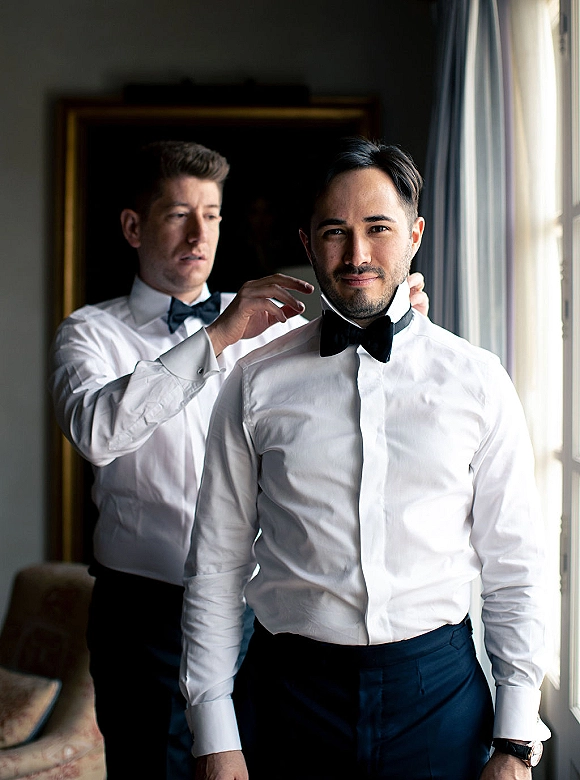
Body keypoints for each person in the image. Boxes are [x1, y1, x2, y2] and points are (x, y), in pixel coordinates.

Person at [48, 139, 429, 780]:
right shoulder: (90, 333)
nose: (200, 233)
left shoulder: (276, 324)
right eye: (177, 214)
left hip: (255, 612)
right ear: (133, 226)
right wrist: (216, 339)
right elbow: (97, 431)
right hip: (142, 615)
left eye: (213, 214)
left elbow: (361, 375)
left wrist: (402, 314)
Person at [180, 137, 548, 780]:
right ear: (305, 241)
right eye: (334, 232)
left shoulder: (480, 382)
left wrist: (516, 742)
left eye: (378, 229)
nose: (357, 256)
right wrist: (215, 735)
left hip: (438, 697)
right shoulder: (253, 382)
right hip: (288, 696)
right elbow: (215, 563)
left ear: (415, 236)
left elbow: (515, 567)